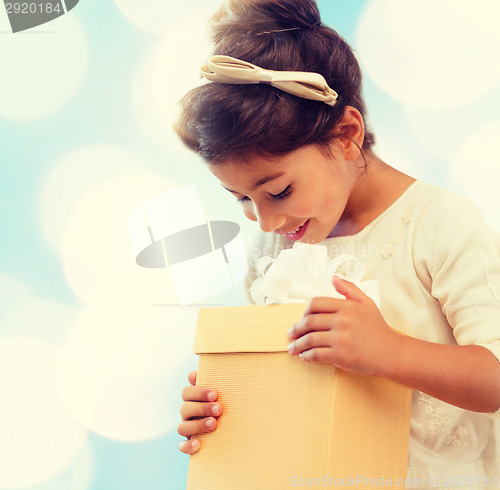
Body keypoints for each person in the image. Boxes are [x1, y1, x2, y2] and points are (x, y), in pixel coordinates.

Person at [175, 0, 500, 485]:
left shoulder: (437, 223)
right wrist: (225, 405)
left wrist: (389, 350)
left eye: (279, 191)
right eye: (241, 198)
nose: (264, 221)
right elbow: (288, 390)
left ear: (347, 134)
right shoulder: (273, 251)